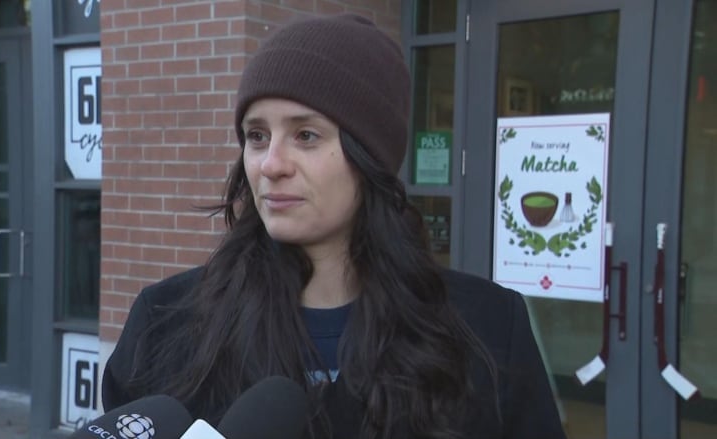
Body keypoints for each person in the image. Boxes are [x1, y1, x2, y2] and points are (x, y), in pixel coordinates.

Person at [102, 14, 566, 439]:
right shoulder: (165, 323)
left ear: (372, 157)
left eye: (306, 135)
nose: (271, 164)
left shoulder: (485, 330)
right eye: (257, 135)